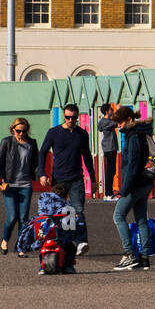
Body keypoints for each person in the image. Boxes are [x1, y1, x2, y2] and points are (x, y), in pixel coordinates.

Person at [38, 104, 95, 257]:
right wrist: (42, 174)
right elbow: (42, 153)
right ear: (64, 116)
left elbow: (87, 157)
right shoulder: (53, 133)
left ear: (77, 117)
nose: (71, 120)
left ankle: (81, 242)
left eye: (74, 117)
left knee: (78, 210)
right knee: (58, 212)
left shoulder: (82, 134)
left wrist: (93, 179)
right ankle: (59, 242)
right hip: (58, 179)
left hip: (76, 177)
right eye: (68, 117)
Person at [111, 105, 155, 271]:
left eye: (120, 122)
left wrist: (124, 188)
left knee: (118, 216)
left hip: (135, 184)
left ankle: (129, 254)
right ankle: (144, 258)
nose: (118, 126)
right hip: (145, 182)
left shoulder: (134, 136)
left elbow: (133, 165)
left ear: (129, 120)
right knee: (141, 218)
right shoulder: (142, 132)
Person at [17, 182, 85, 275]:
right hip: (59, 235)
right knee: (70, 247)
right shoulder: (66, 207)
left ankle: (42, 267)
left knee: (42, 246)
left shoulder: (44, 202)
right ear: (65, 196)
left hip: (44, 233)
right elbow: (73, 222)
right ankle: (68, 266)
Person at [0, 117, 38, 257]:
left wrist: (41, 176)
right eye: (18, 131)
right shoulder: (7, 142)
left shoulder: (31, 143)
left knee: (24, 218)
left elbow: (35, 163)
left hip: (25, 184)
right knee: (12, 217)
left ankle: (20, 246)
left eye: (24, 131)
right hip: (10, 185)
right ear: (12, 130)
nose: (21, 134)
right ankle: (5, 239)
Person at [97, 103, 121, 202]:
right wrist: (119, 111)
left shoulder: (102, 121)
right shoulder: (107, 122)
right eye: (111, 109)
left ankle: (108, 193)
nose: (113, 110)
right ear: (107, 111)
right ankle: (108, 194)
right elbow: (118, 123)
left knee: (110, 171)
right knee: (111, 171)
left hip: (107, 148)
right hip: (110, 148)